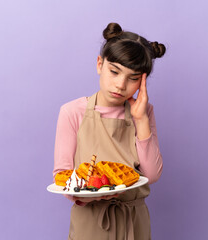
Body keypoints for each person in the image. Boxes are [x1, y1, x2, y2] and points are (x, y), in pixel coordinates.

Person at [53, 22, 165, 240]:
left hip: (134, 218)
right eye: (114, 71)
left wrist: (140, 119)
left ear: (142, 82)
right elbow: (62, 177)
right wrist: (96, 194)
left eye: (133, 78)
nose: (121, 85)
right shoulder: (72, 112)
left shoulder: (143, 112)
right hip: (90, 220)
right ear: (99, 64)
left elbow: (151, 175)